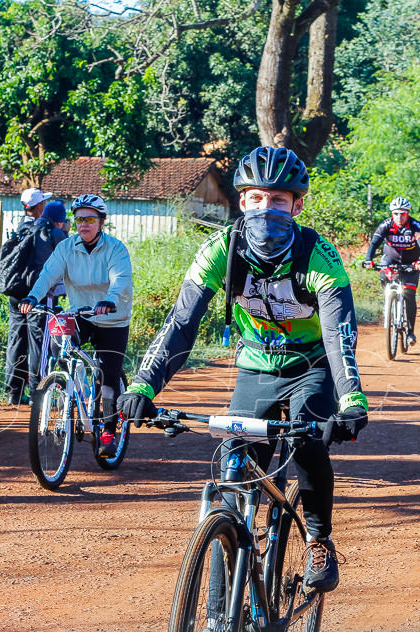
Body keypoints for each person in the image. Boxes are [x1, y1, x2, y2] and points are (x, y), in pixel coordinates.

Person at [117, 146, 367, 595]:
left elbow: (339, 336)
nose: (265, 209)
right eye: (256, 199)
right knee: (239, 463)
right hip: (255, 365)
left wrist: (351, 400)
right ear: (242, 201)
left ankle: (317, 539)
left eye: (278, 200)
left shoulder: (319, 257)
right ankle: (231, 557)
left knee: (309, 437)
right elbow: (180, 325)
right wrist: (143, 385)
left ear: (297, 205)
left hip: (312, 364)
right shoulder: (219, 251)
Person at [20, 194, 133, 456]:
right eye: (79, 219)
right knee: (62, 348)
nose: (84, 224)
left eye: (90, 219)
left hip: (112, 317)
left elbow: (120, 279)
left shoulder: (116, 249)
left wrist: (110, 300)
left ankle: (107, 433)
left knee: (107, 375)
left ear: (101, 222)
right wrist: (32, 297)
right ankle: (68, 388)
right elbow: (48, 274)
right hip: (81, 313)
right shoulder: (66, 248)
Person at [4, 188, 67, 405]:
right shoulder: (53, 233)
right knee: (37, 342)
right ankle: (36, 393)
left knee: (16, 338)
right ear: (40, 206)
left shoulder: (20, 228)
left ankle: (14, 392)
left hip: (15, 292)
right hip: (38, 295)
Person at [362, 197, 420, 345]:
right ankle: (389, 299)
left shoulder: (415, 226)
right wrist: (368, 259)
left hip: (411, 263)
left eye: (403, 213)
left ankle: (410, 332)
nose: (400, 217)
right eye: (396, 213)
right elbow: (374, 243)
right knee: (383, 275)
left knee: (409, 294)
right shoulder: (386, 225)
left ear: (408, 213)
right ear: (392, 214)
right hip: (390, 259)